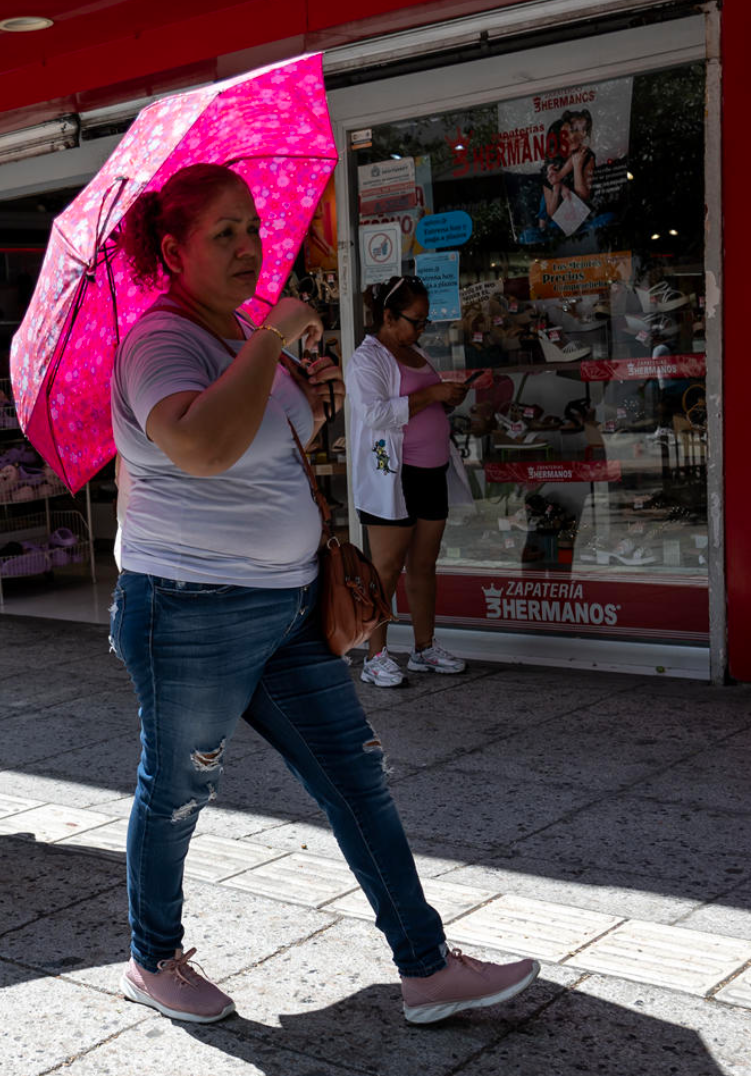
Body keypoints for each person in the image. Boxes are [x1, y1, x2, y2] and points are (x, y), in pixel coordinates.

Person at [109, 162, 539, 1024]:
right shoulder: (162, 342)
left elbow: (276, 433)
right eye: (223, 233)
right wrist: (270, 341)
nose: (248, 246)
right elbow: (197, 446)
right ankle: (152, 959)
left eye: (252, 228)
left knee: (356, 776)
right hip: (191, 611)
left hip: (286, 605)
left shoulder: (234, 336)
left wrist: (312, 395)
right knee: (180, 787)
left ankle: (425, 967)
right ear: (173, 249)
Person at [350, 276, 475, 687]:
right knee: (385, 568)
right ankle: (376, 655)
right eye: (415, 321)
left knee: (423, 565)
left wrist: (448, 396)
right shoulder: (366, 359)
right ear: (388, 317)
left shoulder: (415, 351)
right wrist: (434, 395)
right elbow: (375, 414)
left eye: (424, 322)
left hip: (430, 472)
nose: (422, 329)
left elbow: (424, 400)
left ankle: (424, 648)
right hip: (392, 476)